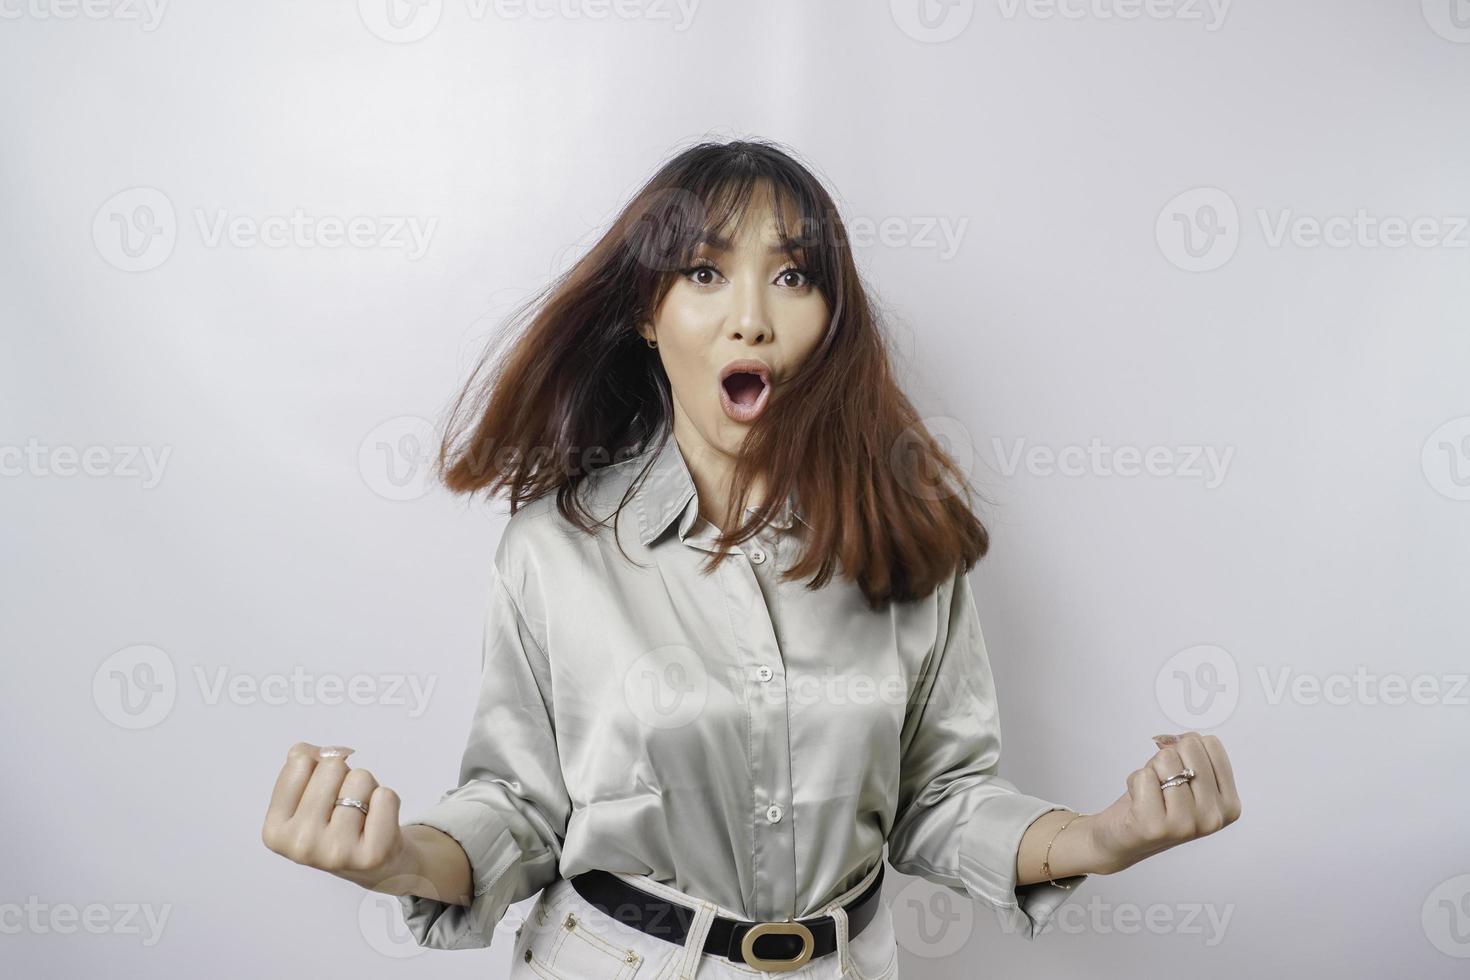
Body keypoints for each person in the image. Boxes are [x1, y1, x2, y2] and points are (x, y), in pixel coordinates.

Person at [261, 138, 1241, 979]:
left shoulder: (908, 542)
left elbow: (943, 798)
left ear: (830, 318)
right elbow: (516, 806)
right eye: (703, 272)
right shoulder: (556, 551)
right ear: (649, 313)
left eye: (793, 275)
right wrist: (397, 858)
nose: (752, 318)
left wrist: (1106, 837)